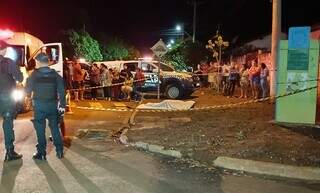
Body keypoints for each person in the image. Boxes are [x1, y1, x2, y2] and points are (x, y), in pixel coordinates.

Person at [25, 53, 65, 160]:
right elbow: (61, 90)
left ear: (38, 62)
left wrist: (28, 94)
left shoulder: (34, 74)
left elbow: (27, 90)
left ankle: (41, 153)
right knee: (55, 128)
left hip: (39, 106)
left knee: (40, 130)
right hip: (52, 105)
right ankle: (60, 151)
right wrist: (62, 105)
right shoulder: (55, 74)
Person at [0, 40, 24, 161]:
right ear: (3, 50)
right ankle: (9, 151)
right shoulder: (8, 62)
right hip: (6, 99)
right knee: (8, 123)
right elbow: (20, 77)